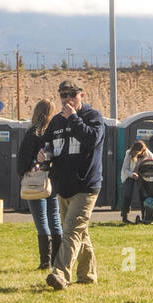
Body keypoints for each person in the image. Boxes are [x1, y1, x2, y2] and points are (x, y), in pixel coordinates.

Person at [40, 80, 105, 292]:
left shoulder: (92, 117)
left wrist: (74, 118)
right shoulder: (56, 122)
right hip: (63, 185)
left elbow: (92, 139)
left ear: (82, 95)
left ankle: (60, 274)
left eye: (72, 95)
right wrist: (44, 155)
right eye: (63, 95)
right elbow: (48, 145)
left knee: (71, 230)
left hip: (86, 185)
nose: (67, 99)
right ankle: (88, 275)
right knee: (80, 231)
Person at [16, 98, 62, 269]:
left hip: (36, 182)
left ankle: (45, 262)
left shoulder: (33, 133)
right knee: (55, 219)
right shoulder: (55, 132)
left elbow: (22, 162)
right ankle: (57, 260)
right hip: (53, 181)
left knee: (41, 220)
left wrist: (28, 169)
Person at [119, 140, 153, 223]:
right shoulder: (129, 153)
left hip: (142, 175)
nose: (141, 155)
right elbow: (125, 169)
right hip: (130, 175)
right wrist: (132, 174)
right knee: (127, 194)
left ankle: (145, 215)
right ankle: (125, 215)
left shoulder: (149, 154)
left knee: (143, 195)